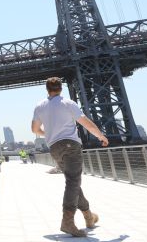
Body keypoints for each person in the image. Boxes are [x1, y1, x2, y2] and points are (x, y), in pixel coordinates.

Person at [31, 77, 109, 237]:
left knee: (73, 182)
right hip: (70, 146)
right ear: (61, 88)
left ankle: (89, 216)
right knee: (73, 182)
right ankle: (67, 222)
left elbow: (35, 129)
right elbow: (86, 123)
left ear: (47, 89)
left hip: (54, 147)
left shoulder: (40, 106)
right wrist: (101, 136)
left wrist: (49, 134)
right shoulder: (68, 103)